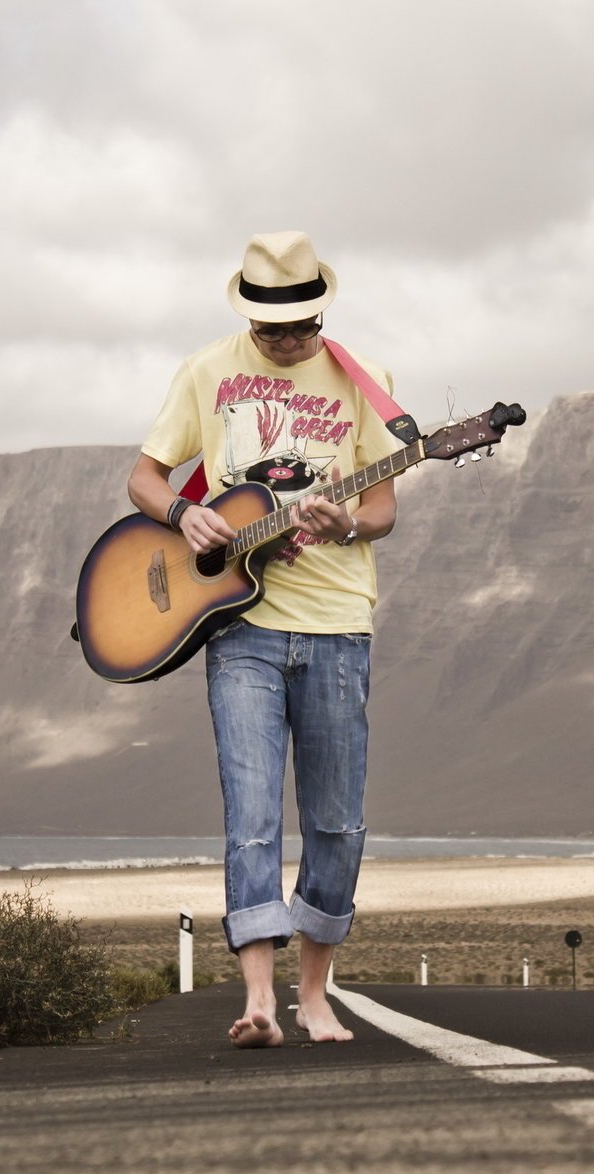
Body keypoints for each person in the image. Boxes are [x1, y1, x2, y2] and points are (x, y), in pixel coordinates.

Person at [127, 231, 398, 1048]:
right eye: (274, 329)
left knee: (337, 821)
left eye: (303, 326)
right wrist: (184, 512)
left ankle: (315, 992)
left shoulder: (365, 382)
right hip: (240, 625)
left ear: (322, 309)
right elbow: (143, 476)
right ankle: (257, 1001)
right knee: (250, 814)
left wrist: (346, 519)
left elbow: (383, 510)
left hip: (338, 625)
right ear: (248, 315)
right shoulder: (206, 372)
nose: (289, 342)